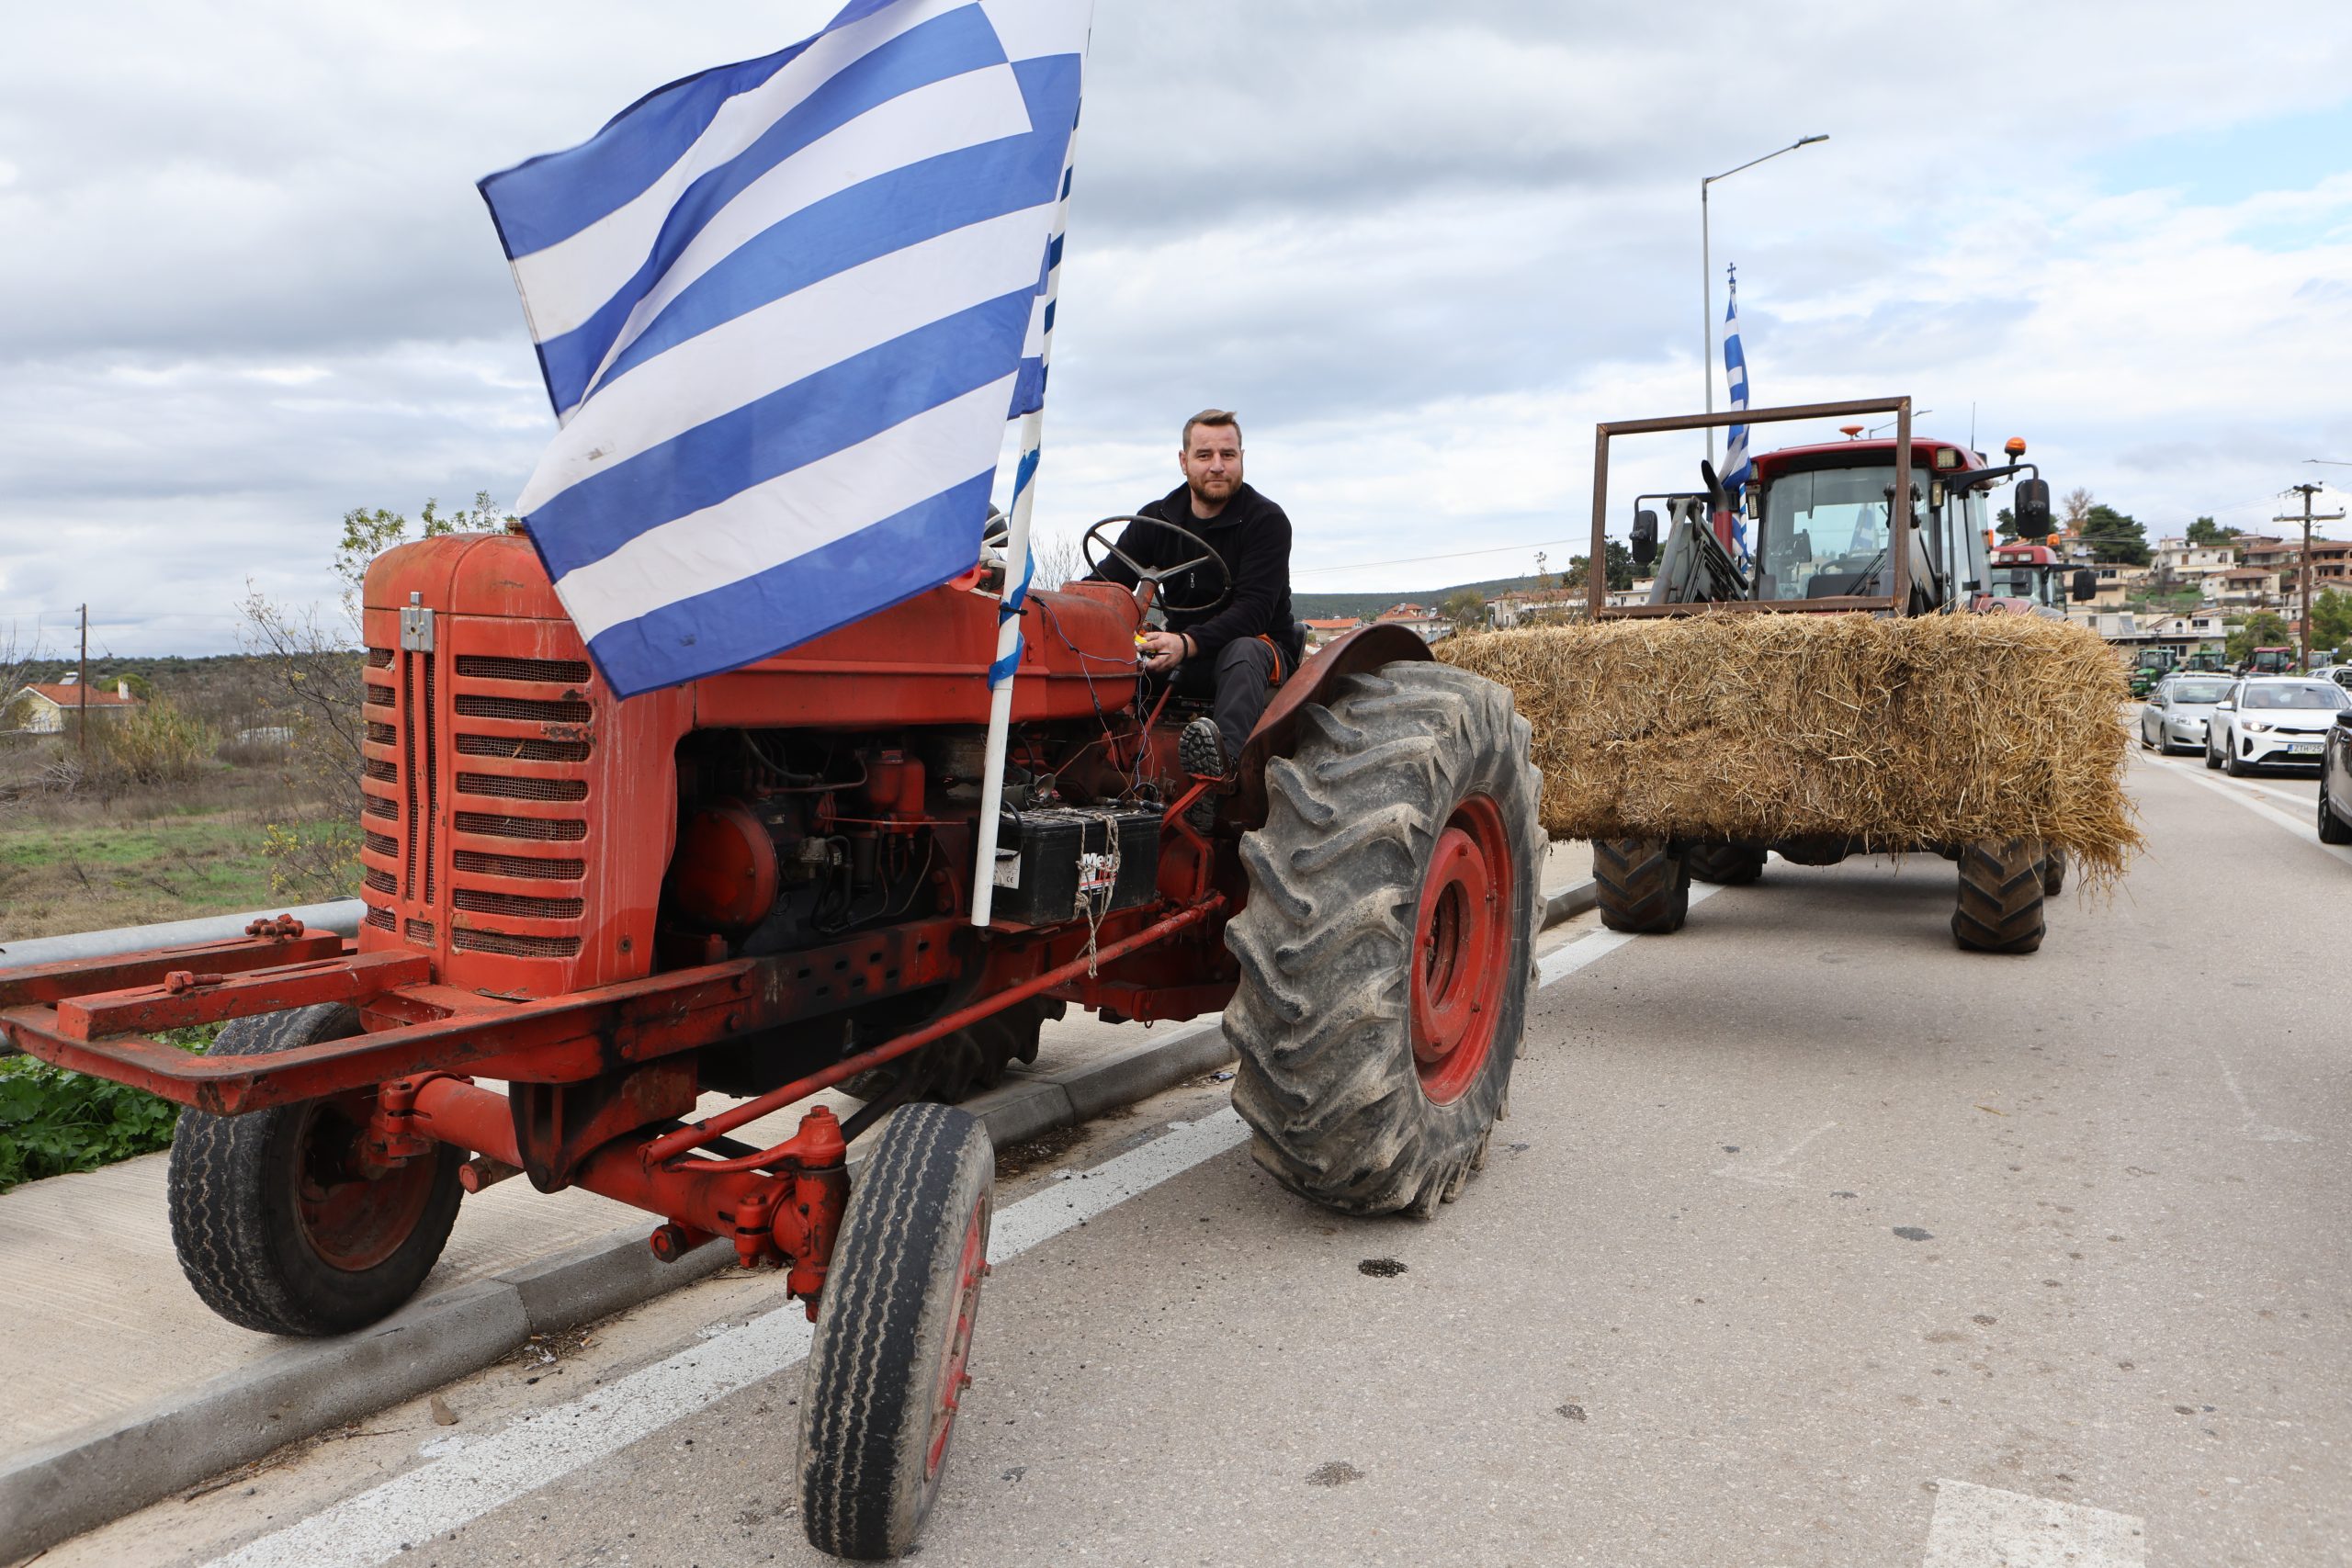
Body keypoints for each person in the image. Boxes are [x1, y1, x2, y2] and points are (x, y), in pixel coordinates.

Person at [1091, 409, 1297, 784]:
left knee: (1244, 650)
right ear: (1184, 462)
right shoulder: (1157, 518)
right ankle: (1089, 760)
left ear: (1241, 459)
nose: (1217, 466)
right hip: (1180, 652)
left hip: (1255, 654)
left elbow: (1254, 611)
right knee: (1112, 647)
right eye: (1205, 455)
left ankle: (1220, 780)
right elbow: (1106, 584)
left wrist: (1186, 643)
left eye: (1227, 455)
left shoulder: (1266, 521)